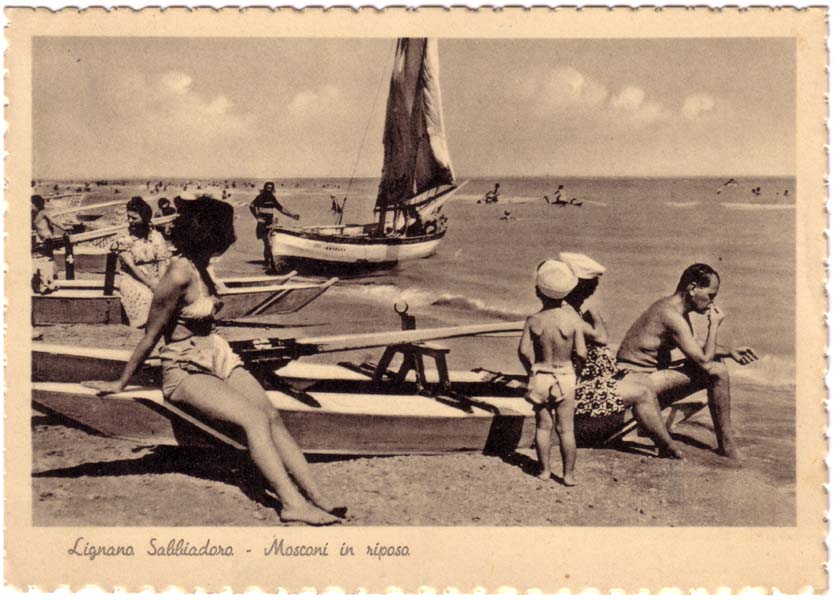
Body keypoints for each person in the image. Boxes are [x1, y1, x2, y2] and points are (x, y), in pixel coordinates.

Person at [83, 196, 343, 525]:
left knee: (271, 415)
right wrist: (121, 382)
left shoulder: (201, 264)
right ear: (208, 236)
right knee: (253, 420)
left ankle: (317, 496)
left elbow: (207, 320)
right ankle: (291, 504)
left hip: (218, 354)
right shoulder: (177, 276)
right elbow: (150, 336)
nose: (228, 243)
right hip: (184, 366)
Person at [616, 263, 758, 460]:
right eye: (711, 295)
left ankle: (725, 443)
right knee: (717, 371)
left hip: (641, 376)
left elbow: (694, 345)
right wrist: (714, 326)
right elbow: (704, 362)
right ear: (692, 288)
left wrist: (729, 351)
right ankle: (727, 446)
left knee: (717, 363)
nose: (712, 303)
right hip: (635, 378)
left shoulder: (672, 308)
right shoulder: (670, 315)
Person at [559, 252, 685, 459]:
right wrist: (595, 315)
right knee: (642, 392)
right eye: (590, 287)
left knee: (643, 384)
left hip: (586, 382)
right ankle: (668, 447)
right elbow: (600, 338)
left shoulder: (570, 310)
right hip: (578, 390)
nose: (592, 292)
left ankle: (655, 431)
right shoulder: (569, 313)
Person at [518, 260, 587, 486]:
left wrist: (531, 371)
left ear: (538, 291)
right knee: (566, 430)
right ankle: (569, 475)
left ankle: (545, 471)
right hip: (565, 375)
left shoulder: (534, 320)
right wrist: (577, 372)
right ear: (567, 292)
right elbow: (582, 353)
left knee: (543, 427)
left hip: (541, 375)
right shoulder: (573, 320)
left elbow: (523, 351)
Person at [110, 197, 172, 328]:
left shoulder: (155, 236)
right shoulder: (124, 238)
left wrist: (160, 283)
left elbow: (161, 262)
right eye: (129, 217)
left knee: (168, 294)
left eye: (134, 218)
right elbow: (131, 265)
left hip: (155, 274)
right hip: (132, 276)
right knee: (146, 296)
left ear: (145, 218)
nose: (130, 221)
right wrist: (150, 284)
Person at [249, 182, 299, 273]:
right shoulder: (260, 197)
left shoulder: (272, 197)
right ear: (265, 188)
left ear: (272, 189)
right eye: (268, 187)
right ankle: (267, 263)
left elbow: (281, 208)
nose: (269, 189)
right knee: (267, 244)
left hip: (270, 223)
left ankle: (269, 262)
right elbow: (251, 206)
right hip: (262, 224)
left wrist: (292, 215)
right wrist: (257, 217)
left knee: (270, 244)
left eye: (271, 187)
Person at [31, 194, 65, 294]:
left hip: (48, 239)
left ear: (36, 205)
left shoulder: (43, 212)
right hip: (42, 241)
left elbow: (54, 221)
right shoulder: (33, 214)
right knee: (48, 261)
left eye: (32, 204)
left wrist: (65, 228)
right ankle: (49, 283)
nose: (30, 206)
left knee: (46, 261)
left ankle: (46, 284)